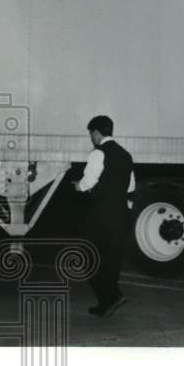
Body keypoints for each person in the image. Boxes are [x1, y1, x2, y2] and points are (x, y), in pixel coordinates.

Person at [74, 115, 135, 317]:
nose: (91, 138)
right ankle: (109, 299)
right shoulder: (126, 155)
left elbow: (88, 182)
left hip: (101, 215)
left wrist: (78, 186)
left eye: (91, 133)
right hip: (121, 215)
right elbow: (131, 186)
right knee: (110, 260)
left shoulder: (98, 153)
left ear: (97, 132)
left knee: (87, 256)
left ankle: (110, 298)